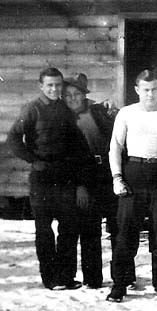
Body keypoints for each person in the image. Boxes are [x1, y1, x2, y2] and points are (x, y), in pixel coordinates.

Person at [106, 69, 157, 302]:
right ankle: (119, 285)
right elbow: (115, 147)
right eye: (145, 90)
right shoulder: (126, 114)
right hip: (134, 176)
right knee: (125, 234)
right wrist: (117, 178)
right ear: (137, 90)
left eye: (154, 89)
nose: (150, 94)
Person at [7, 67, 90, 290]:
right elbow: (13, 139)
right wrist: (32, 160)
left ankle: (65, 276)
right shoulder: (32, 109)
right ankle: (50, 278)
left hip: (65, 176)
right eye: (50, 85)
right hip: (42, 178)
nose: (54, 89)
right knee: (44, 230)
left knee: (68, 229)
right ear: (41, 86)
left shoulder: (66, 110)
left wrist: (80, 181)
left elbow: (77, 147)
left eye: (58, 85)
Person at [63, 73, 116, 289]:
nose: (73, 98)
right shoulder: (61, 118)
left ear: (85, 95)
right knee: (89, 229)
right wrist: (78, 185)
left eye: (77, 94)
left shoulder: (97, 111)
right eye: (68, 95)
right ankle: (92, 278)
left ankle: (123, 276)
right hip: (81, 178)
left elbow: (118, 125)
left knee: (117, 227)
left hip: (105, 173)